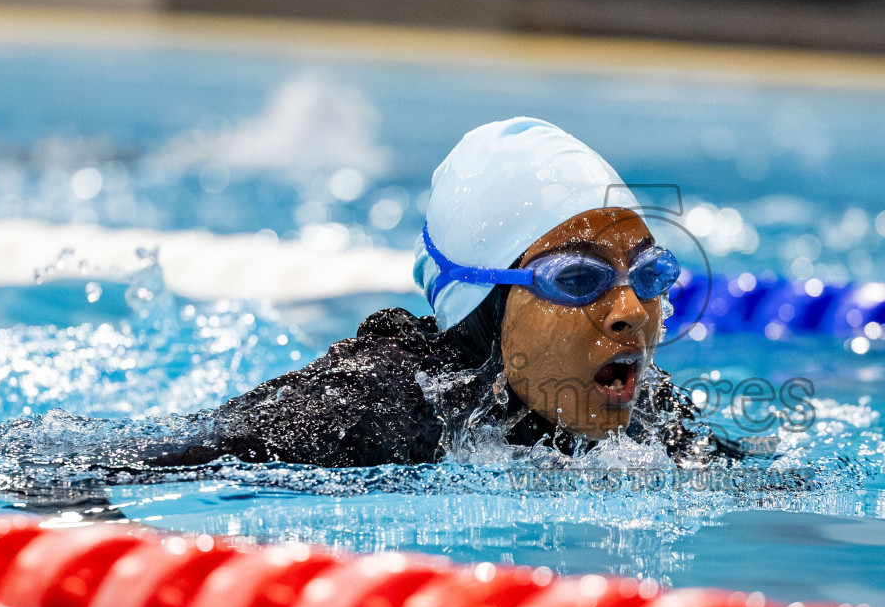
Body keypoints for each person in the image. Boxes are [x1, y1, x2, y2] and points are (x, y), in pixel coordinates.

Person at [154, 118, 743, 468]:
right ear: (484, 300)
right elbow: (127, 464)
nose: (632, 314)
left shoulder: (645, 412)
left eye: (649, 275)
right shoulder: (370, 407)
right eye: (578, 280)